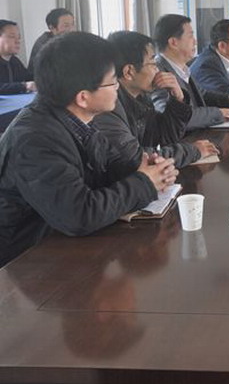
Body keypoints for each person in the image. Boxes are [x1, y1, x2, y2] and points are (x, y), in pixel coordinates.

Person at [0, 32, 177, 267]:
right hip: (26, 262)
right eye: (112, 82)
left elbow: (105, 168)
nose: (118, 87)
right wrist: (144, 182)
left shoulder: (78, 119)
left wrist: (146, 169)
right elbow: (79, 215)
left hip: (63, 246)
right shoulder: (34, 140)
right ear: (83, 97)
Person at [94, 31, 218, 168]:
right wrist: (193, 151)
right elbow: (137, 159)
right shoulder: (107, 107)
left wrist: (177, 100)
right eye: (153, 64)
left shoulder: (142, 97)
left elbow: (163, 138)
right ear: (129, 72)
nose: (158, 71)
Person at [151, 14, 229, 130]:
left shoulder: (182, 68)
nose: (195, 41)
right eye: (190, 36)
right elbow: (170, 117)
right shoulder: (158, 73)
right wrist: (219, 113)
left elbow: (202, 95)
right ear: (173, 42)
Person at [28, 8, 76, 75]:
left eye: (72, 25)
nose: (71, 29)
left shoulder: (69, 41)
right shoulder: (44, 45)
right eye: (66, 26)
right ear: (52, 28)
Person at [0, 20, 35, 95]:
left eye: (19, 37)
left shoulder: (14, 61)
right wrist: (24, 86)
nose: (17, 41)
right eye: (12, 36)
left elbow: (28, 77)